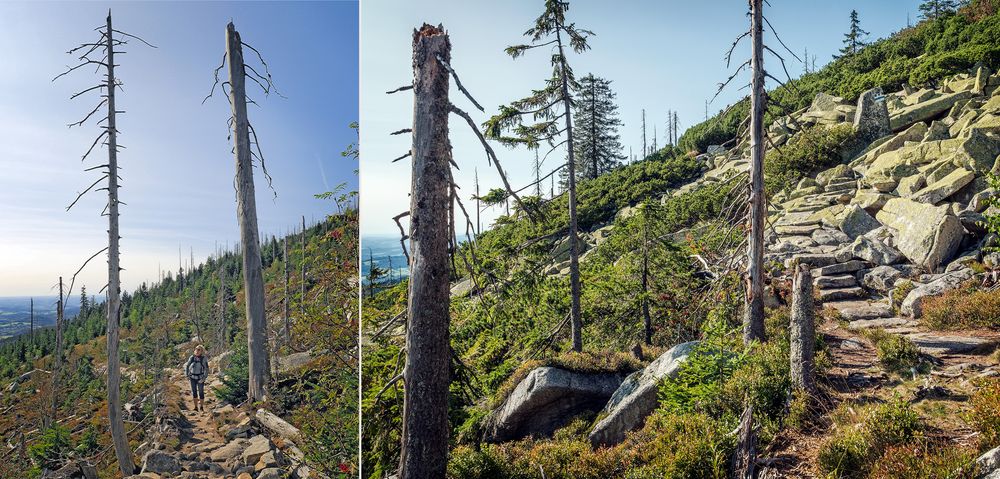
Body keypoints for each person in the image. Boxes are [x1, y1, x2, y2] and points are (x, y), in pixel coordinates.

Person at [185, 345, 209, 412]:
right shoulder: (192, 357)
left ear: (202, 351)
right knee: (194, 392)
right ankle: (195, 407)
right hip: (192, 377)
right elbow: (187, 366)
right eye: (196, 349)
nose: (197, 351)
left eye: (199, 349)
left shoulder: (203, 358)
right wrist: (187, 375)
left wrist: (204, 378)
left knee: (201, 392)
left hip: (200, 378)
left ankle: (201, 407)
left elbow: (206, 369)